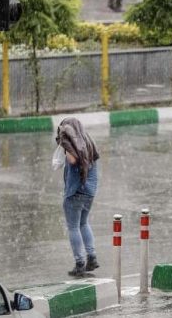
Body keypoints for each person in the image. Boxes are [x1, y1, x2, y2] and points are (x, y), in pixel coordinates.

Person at [55, 117, 100, 277]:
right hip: (89, 192)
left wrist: (65, 146)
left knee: (73, 226)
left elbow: (73, 160)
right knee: (83, 223)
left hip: (75, 192)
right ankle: (92, 256)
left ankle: (80, 262)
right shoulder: (88, 140)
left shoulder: (73, 144)